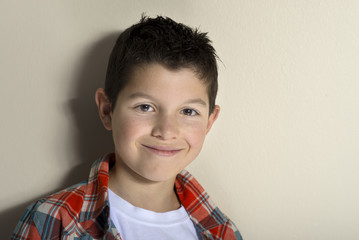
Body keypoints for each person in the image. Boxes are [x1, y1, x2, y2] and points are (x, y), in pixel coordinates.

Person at [12, 15, 243, 240]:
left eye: (188, 111)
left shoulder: (224, 231)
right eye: (145, 107)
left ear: (209, 122)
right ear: (106, 111)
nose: (166, 131)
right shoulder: (52, 221)